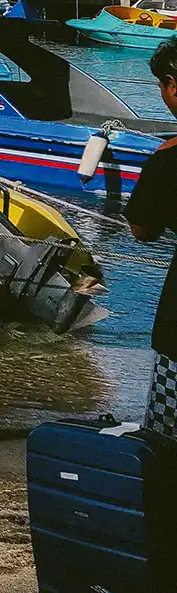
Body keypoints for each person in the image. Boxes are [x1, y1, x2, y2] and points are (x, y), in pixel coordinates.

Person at [126, 37, 177, 438]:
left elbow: (142, 230)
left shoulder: (167, 160)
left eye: (161, 86)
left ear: (173, 85)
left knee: (166, 439)